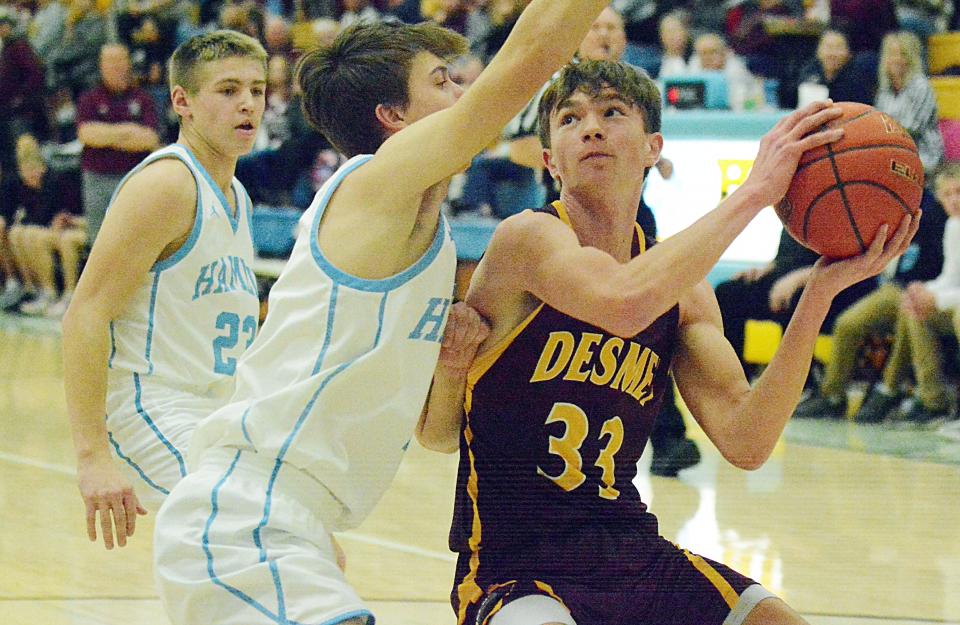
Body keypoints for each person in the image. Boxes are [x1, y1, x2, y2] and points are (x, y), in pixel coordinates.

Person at [151, 4, 620, 625]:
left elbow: (433, 432)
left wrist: (453, 363)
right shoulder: (371, 184)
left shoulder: (428, 236)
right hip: (244, 520)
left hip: (296, 527)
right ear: (393, 118)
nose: (462, 91)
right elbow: (525, 60)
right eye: (442, 82)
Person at [415, 60, 916, 625]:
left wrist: (819, 294)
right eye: (571, 118)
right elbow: (622, 302)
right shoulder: (526, 239)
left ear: (653, 147)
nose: (592, 128)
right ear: (551, 160)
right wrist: (754, 193)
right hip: (519, 570)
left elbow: (747, 441)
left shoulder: (685, 292)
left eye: (611, 113)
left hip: (633, 553)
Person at [61, 29, 268, 550]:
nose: (247, 103)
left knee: (292, 536)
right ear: (183, 102)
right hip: (151, 409)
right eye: (227, 90)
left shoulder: (237, 195)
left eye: (257, 90)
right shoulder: (168, 185)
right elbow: (84, 315)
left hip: (218, 411)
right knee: (258, 537)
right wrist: (92, 457)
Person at [794, 172, 948, 420]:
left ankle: (890, 390)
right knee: (847, 324)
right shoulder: (880, 201)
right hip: (889, 285)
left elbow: (934, 264)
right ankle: (833, 396)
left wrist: (917, 288)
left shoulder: (934, 211)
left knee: (909, 317)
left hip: (918, 287)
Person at [853, 162, 960, 424]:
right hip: (949, 300)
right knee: (914, 310)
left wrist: (935, 298)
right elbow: (951, 278)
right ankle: (933, 402)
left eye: (958, 192)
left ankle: (891, 389)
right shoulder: (954, 226)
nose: (953, 200)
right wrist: (923, 292)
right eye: (947, 194)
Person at [76, 43, 161, 245]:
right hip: (98, 179)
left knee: (138, 241)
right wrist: (128, 131)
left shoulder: (143, 98)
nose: (116, 66)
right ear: (101, 66)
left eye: (120, 60)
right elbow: (87, 135)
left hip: (135, 179)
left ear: (129, 63)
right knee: (100, 242)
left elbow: (149, 139)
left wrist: (106, 135)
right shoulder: (89, 99)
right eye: (111, 61)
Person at [875, 31, 945, 177]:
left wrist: (882, 135)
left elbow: (913, 127)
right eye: (891, 54)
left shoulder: (921, 86)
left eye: (902, 54)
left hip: (923, 154)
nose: (896, 59)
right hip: (892, 152)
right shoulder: (884, 89)